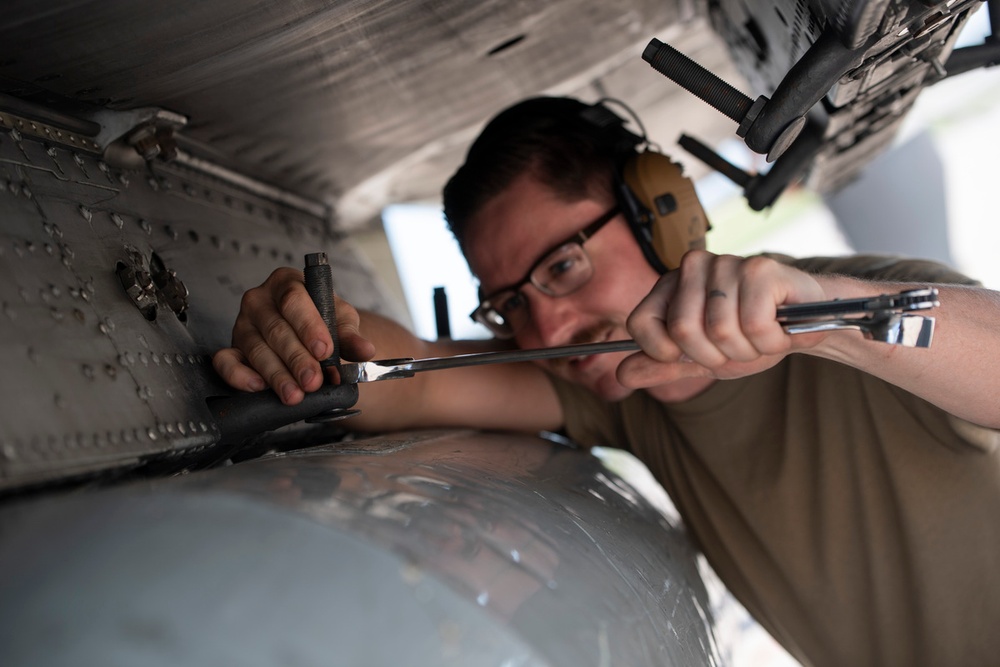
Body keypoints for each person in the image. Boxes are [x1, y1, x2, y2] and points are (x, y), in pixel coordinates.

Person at [213, 96, 1000, 666]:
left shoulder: (861, 307)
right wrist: (315, 329)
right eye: (512, 303)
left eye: (564, 265)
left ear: (666, 213)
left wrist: (829, 318)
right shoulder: (619, 393)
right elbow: (410, 376)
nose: (549, 331)